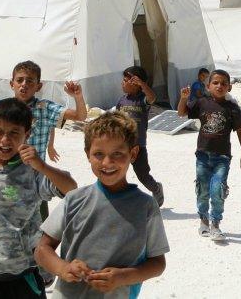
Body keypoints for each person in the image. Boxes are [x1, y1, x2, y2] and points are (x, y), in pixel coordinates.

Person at [35, 111, 168, 298]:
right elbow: (42, 250)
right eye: (99, 154)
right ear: (87, 154)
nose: (107, 162)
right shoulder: (73, 200)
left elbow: (157, 263)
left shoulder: (145, 206)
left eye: (117, 154)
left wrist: (122, 277)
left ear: (133, 153)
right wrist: (63, 268)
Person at [0, 98, 77, 298]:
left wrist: (42, 166)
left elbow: (71, 189)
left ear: (26, 134)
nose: (5, 140)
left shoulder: (31, 171)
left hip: (20, 275)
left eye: (14, 133)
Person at [0, 60, 88, 162]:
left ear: (38, 86)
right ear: (12, 84)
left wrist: (78, 97)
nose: (24, 84)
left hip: (33, 176)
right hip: (5, 174)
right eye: (19, 80)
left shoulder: (45, 109)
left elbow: (80, 116)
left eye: (29, 81)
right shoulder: (1, 107)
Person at [177, 69, 241, 241]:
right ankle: (203, 220)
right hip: (202, 155)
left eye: (224, 83)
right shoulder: (202, 103)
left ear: (229, 87)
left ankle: (215, 224)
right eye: (215, 82)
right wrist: (183, 98)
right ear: (208, 86)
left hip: (222, 158)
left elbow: (240, 131)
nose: (219, 86)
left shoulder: (232, 108)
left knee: (217, 189)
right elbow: (181, 113)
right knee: (202, 190)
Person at [114, 65, 164, 205]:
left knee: (143, 175)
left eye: (125, 80)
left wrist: (143, 85)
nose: (122, 83)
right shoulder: (122, 100)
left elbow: (152, 98)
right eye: (123, 80)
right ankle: (118, 199)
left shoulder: (142, 99)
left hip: (138, 146)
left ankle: (156, 188)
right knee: (116, 171)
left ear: (135, 83)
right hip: (122, 145)